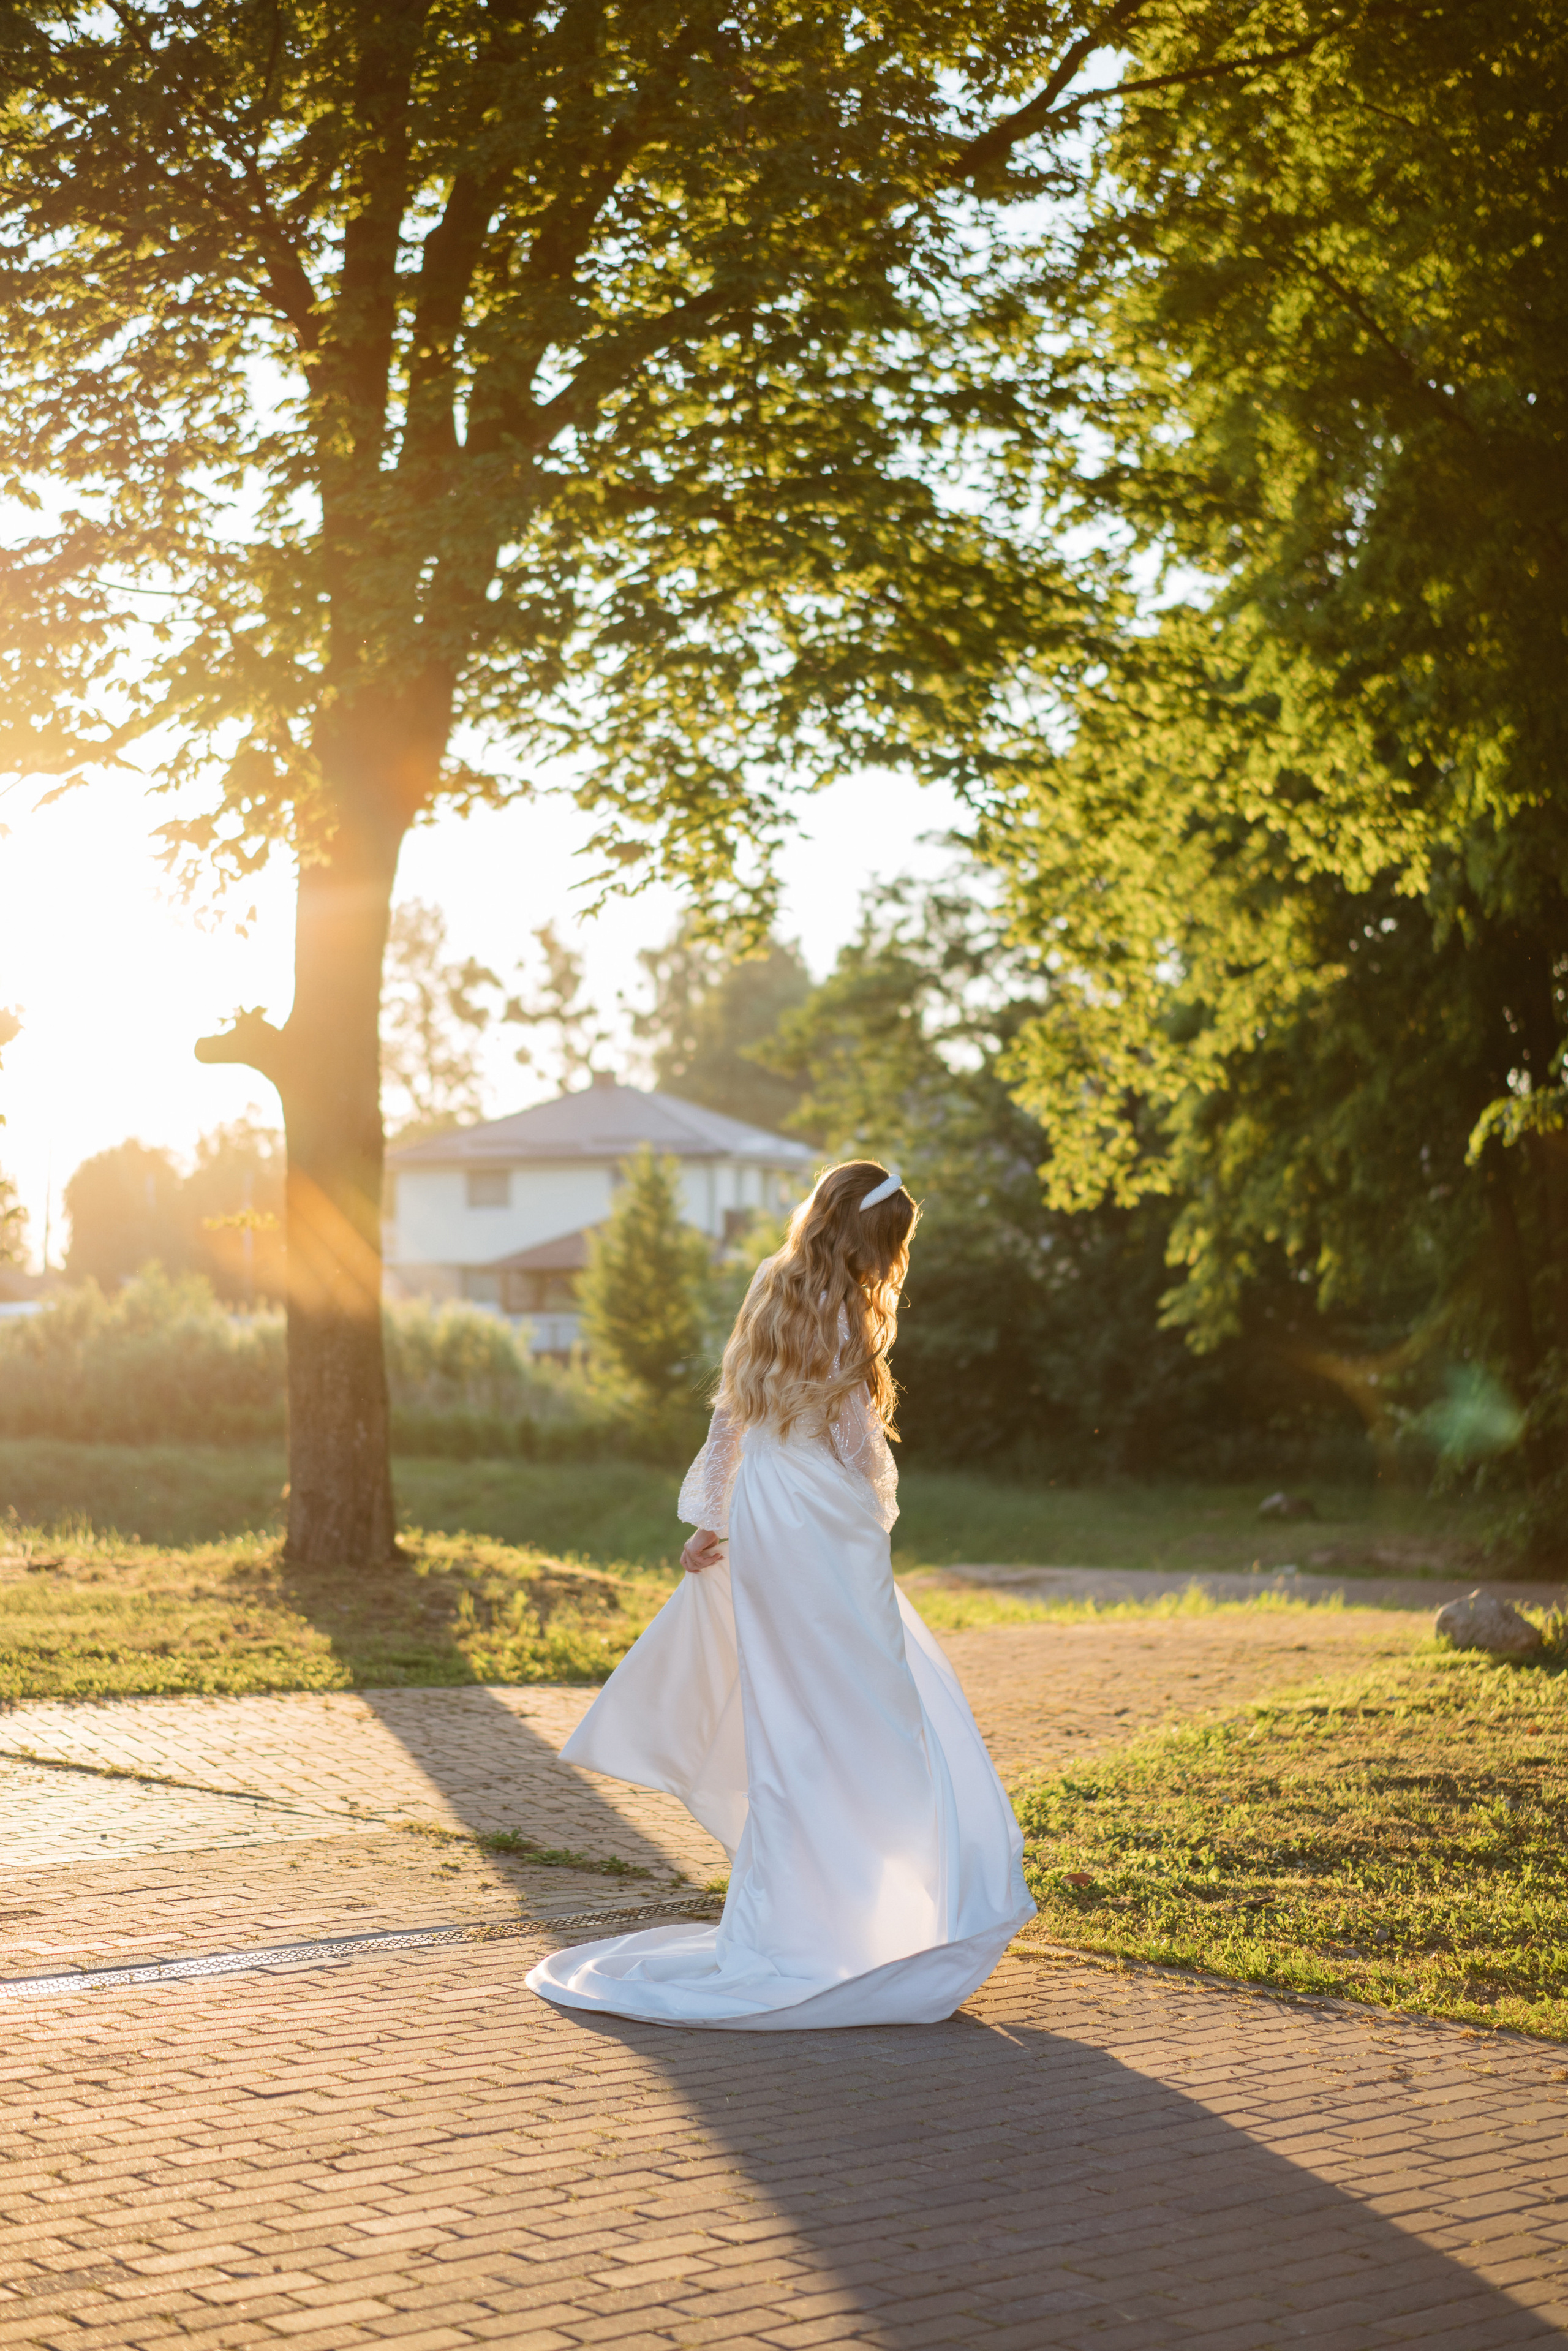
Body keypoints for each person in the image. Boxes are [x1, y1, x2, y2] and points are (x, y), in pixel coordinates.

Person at [525, 1160, 1035, 2029]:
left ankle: (803, 1910)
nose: (889, 1265)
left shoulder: (771, 1282)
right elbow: (853, 1439)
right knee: (866, 1700)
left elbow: (732, 1412)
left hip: (765, 1507)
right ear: (873, 1239)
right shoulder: (850, 1310)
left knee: (791, 1706)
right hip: (820, 1513)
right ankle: (877, 1902)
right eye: (891, 1248)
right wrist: (873, 1513)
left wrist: (714, 1518)